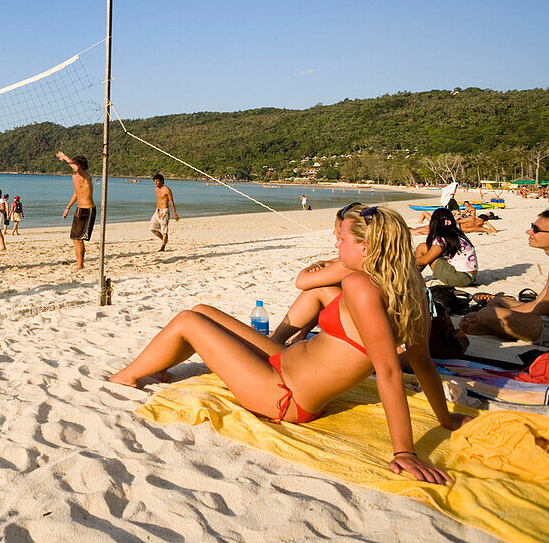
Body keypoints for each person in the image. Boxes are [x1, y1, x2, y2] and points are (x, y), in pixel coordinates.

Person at [110, 205, 468, 483]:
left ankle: (125, 378)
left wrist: (404, 450)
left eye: (342, 240)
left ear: (366, 246)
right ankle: (156, 366)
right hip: (283, 362)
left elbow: (390, 370)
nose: (335, 244)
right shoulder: (411, 289)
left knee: (188, 321)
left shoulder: (361, 286)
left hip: (284, 395)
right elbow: (423, 363)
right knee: (203, 311)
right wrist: (445, 417)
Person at [459, 210, 549, 346]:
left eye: (536, 229)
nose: (529, 231)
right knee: (497, 302)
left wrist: (484, 317)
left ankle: (492, 329)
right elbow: (537, 303)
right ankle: (491, 326)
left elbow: (537, 313)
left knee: (488, 314)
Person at [269, 203, 363, 344]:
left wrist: (318, 265)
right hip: (362, 321)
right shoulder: (373, 256)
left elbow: (301, 281)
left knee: (319, 288)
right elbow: (335, 262)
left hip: (361, 328)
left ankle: (276, 341)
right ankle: (297, 335)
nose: (335, 235)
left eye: (339, 231)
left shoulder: (356, 262)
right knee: (323, 283)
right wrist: (321, 263)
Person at [414, 208, 478, 287]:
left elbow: (424, 261)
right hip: (469, 276)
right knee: (423, 247)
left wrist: (405, 260)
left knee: (425, 254)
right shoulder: (455, 234)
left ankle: (412, 276)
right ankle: (413, 276)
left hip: (461, 278)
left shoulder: (441, 239)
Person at [58, 151, 95, 270]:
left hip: (88, 209)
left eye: (75, 163)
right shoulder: (74, 177)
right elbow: (76, 193)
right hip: (79, 209)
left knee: (79, 238)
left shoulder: (86, 175)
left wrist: (64, 157)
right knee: (74, 238)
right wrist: (68, 207)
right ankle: (79, 263)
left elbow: (76, 168)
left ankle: (80, 264)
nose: (73, 166)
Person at [149, 174, 180, 252]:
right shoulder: (156, 189)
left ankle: (163, 246)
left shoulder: (167, 190)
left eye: (157, 181)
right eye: (154, 181)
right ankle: (164, 240)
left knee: (164, 230)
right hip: (157, 211)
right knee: (152, 228)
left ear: (161, 181)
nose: (155, 182)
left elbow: (171, 202)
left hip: (164, 211)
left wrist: (175, 213)